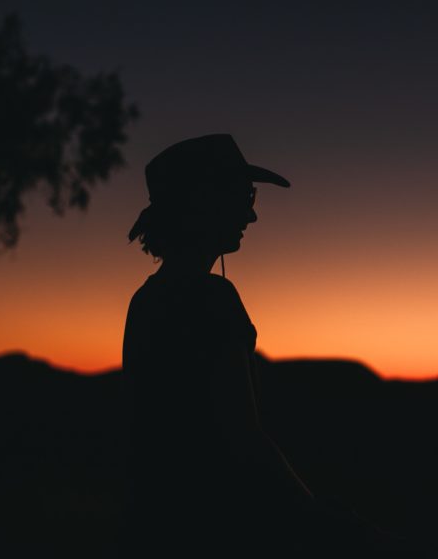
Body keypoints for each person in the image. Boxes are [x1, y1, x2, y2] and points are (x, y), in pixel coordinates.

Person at [120, 134, 314, 556]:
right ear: (203, 200)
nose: (251, 215)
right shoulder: (211, 298)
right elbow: (244, 438)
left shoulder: (147, 299)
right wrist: (322, 521)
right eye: (242, 195)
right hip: (214, 533)